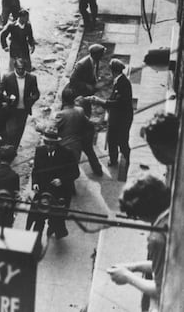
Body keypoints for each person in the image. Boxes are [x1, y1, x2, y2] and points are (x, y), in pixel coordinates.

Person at [107, 175, 170, 311]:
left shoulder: (157, 238)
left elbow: (161, 291)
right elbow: (167, 265)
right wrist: (133, 267)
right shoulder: (171, 214)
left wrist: (127, 277)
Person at [28, 130, 79, 239]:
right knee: (39, 218)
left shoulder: (67, 153)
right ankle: (36, 241)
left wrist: (62, 180)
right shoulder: (40, 151)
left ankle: (54, 229)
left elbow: (75, 173)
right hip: (43, 191)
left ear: (57, 143)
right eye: (47, 143)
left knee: (56, 218)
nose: (49, 146)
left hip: (60, 193)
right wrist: (35, 183)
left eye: (52, 144)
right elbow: (36, 170)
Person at [90, 58, 133, 172]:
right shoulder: (119, 81)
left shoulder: (123, 83)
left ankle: (126, 157)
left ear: (113, 71)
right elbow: (113, 98)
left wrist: (101, 101)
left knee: (122, 140)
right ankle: (113, 159)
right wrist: (105, 102)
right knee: (112, 139)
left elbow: (118, 103)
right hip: (116, 116)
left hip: (122, 118)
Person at [55, 88, 103, 176]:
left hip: (67, 145)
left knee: (66, 169)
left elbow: (52, 128)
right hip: (81, 139)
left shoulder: (61, 114)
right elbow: (88, 123)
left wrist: (39, 127)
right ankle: (98, 170)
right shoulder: (80, 110)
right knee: (90, 153)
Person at [0, 58, 40, 150]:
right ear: (15, 68)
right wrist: (7, 99)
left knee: (19, 131)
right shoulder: (7, 77)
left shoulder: (31, 78)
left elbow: (36, 93)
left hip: (24, 110)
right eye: (18, 68)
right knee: (10, 131)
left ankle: (14, 149)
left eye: (22, 69)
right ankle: (6, 149)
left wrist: (30, 100)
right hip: (11, 108)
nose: (20, 71)